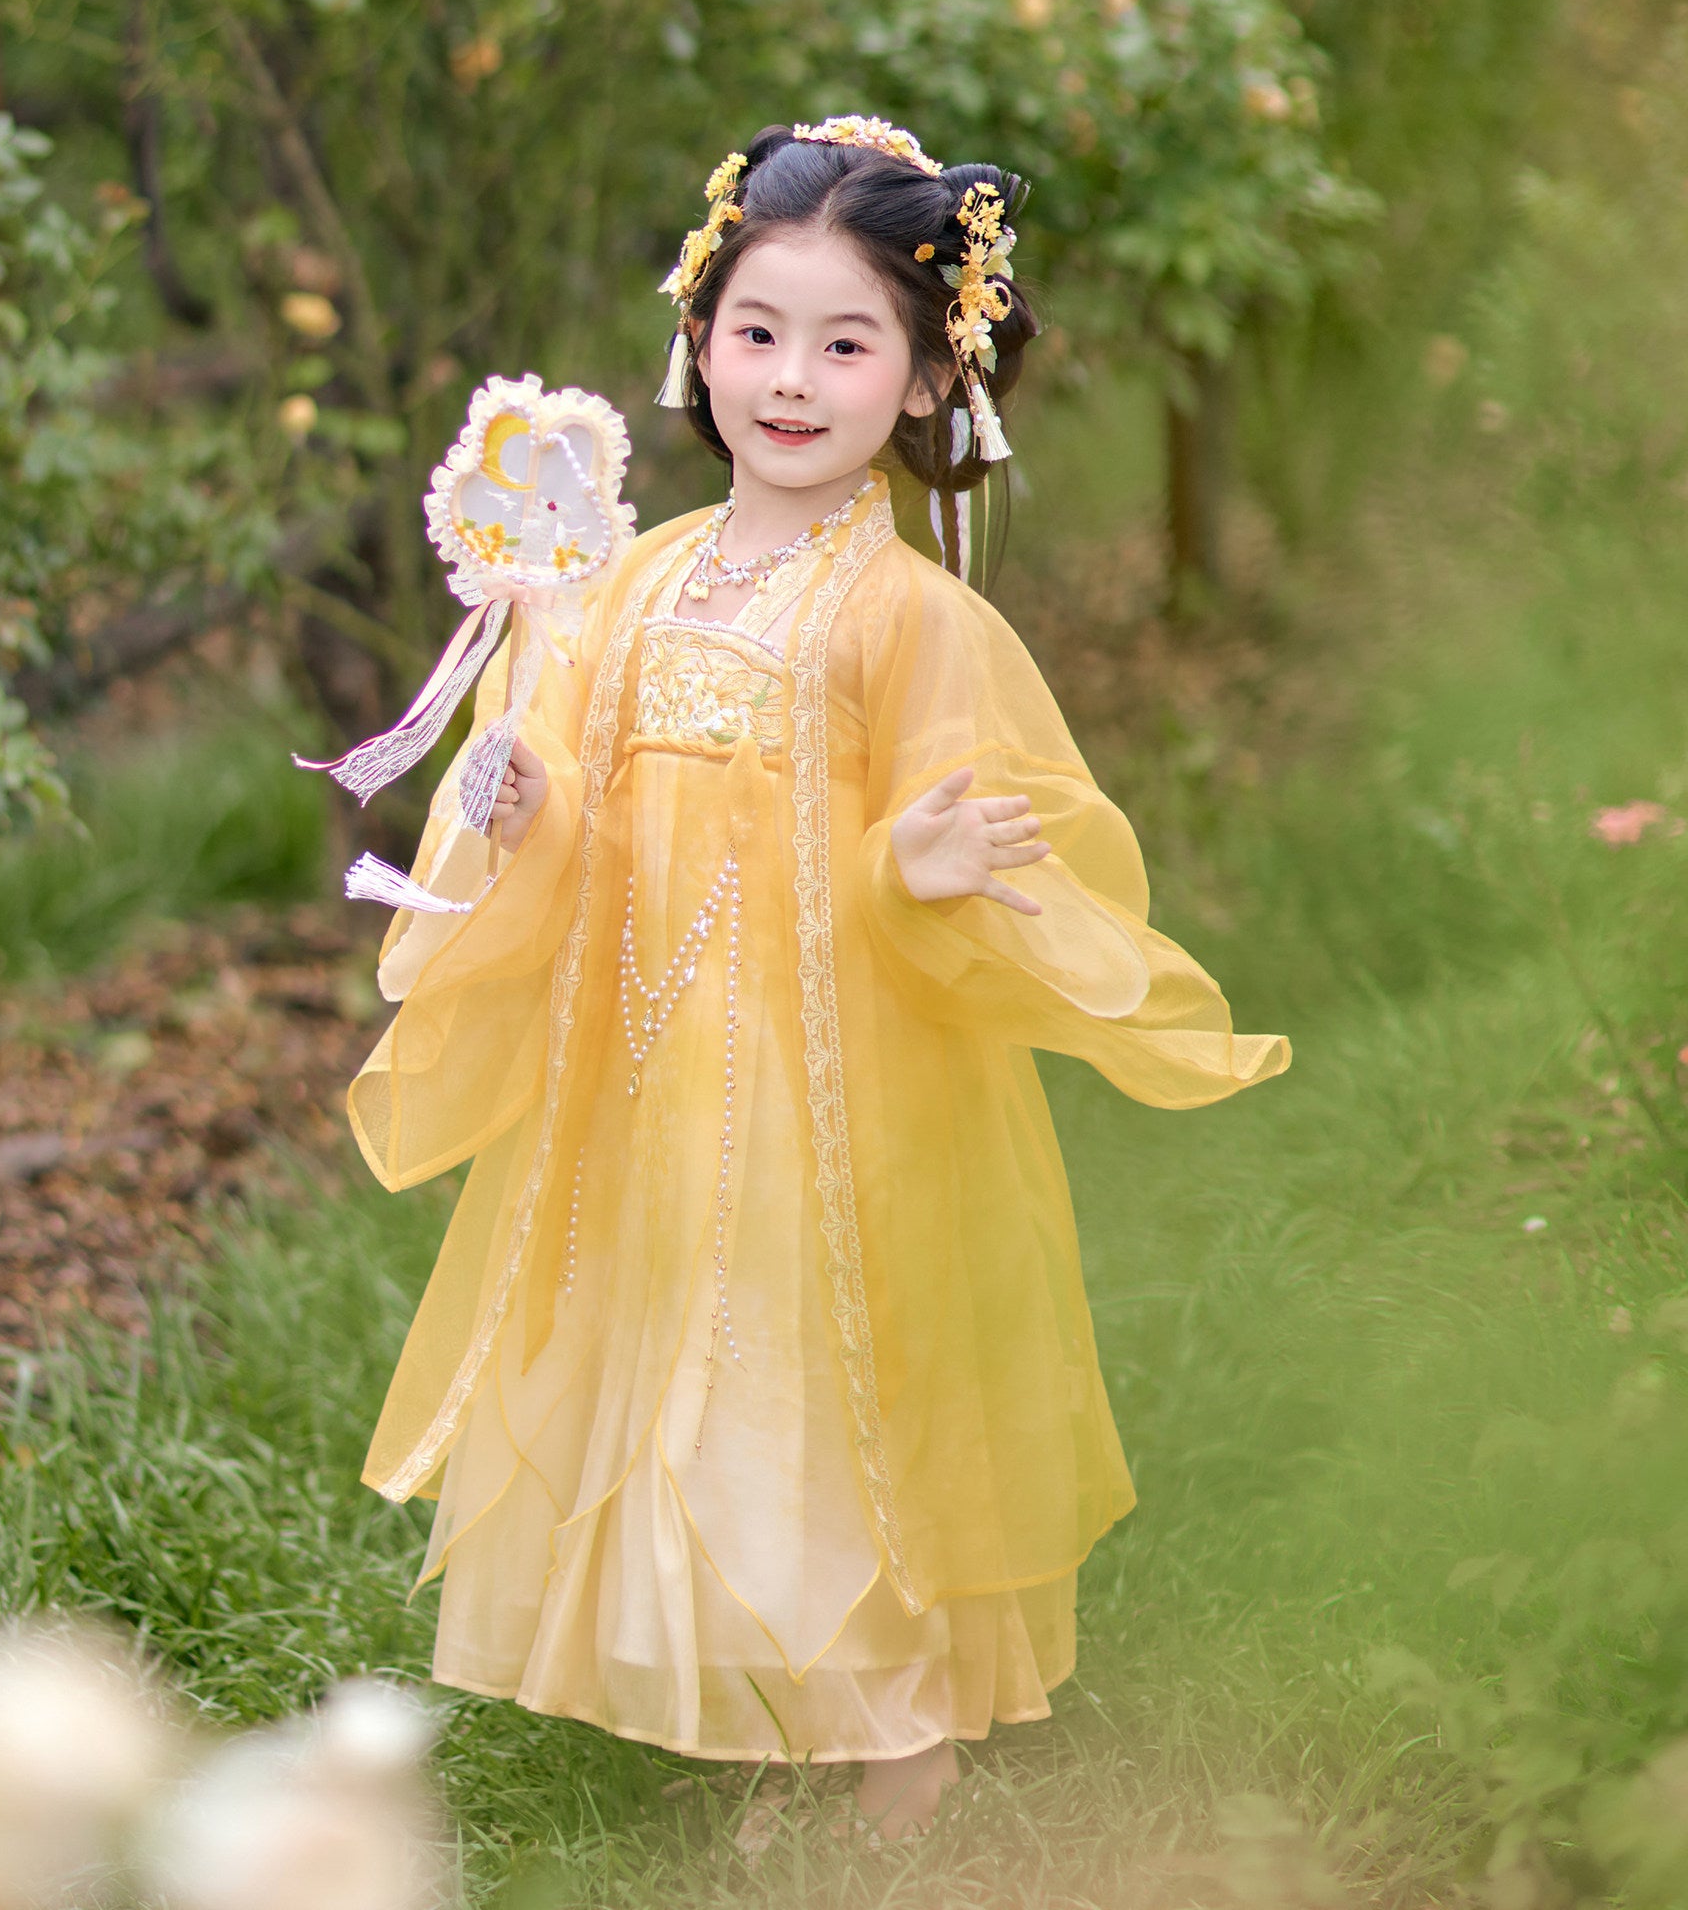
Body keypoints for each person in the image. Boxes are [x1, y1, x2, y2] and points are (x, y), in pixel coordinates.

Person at [346, 116, 1291, 1841]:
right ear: (696, 343)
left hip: (831, 1089)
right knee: (693, 1387)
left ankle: (903, 1748)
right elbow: (584, 786)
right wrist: (521, 799)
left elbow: (988, 852)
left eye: (847, 343)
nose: (790, 380)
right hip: (644, 1080)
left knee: (833, 1386)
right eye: (756, 333)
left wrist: (903, 869)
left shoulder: (907, 620)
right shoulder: (634, 583)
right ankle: (770, 1705)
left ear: (930, 380)